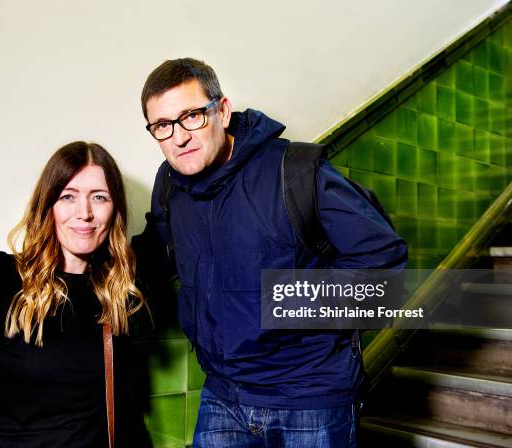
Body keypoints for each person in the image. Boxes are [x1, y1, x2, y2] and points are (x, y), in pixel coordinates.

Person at [133, 58, 408, 447]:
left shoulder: (294, 171)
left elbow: (383, 263)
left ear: (222, 111)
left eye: (192, 115)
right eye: (162, 126)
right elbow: (150, 258)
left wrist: (284, 301)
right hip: (223, 396)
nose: (179, 137)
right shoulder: (170, 185)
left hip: (309, 397)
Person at [0, 141, 147, 447]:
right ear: (47, 205)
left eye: (99, 197)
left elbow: (126, 421)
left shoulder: (116, 295)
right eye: (68, 197)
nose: (84, 213)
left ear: (115, 209)